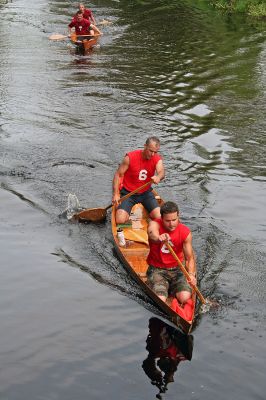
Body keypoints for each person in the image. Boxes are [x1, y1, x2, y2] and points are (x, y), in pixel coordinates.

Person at [146, 201, 196, 308]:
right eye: (167, 221)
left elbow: (190, 259)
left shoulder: (185, 232)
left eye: (174, 220)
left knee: (184, 297)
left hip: (178, 269)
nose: (171, 224)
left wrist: (191, 274)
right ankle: (162, 288)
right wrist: (159, 238)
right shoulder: (155, 224)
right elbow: (151, 233)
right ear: (161, 218)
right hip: (157, 269)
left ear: (178, 216)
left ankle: (172, 288)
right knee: (160, 299)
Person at [112, 137, 165, 224]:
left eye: (155, 152)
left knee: (159, 217)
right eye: (150, 151)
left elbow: (161, 172)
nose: (152, 154)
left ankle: (148, 217)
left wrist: (158, 177)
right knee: (120, 220)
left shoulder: (157, 159)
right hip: (128, 193)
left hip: (145, 193)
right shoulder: (130, 157)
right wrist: (116, 194)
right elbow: (118, 174)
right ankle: (133, 216)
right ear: (145, 146)